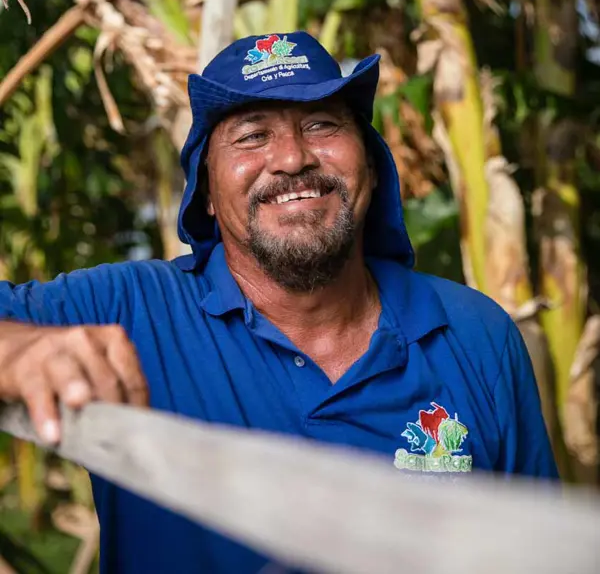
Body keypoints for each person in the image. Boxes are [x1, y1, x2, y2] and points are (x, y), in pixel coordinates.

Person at [0, 31, 557, 573]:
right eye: (251, 135)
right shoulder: (129, 309)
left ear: (370, 164)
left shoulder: (474, 332)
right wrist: (16, 347)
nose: (292, 158)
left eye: (321, 124)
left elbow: (538, 551)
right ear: (207, 193)